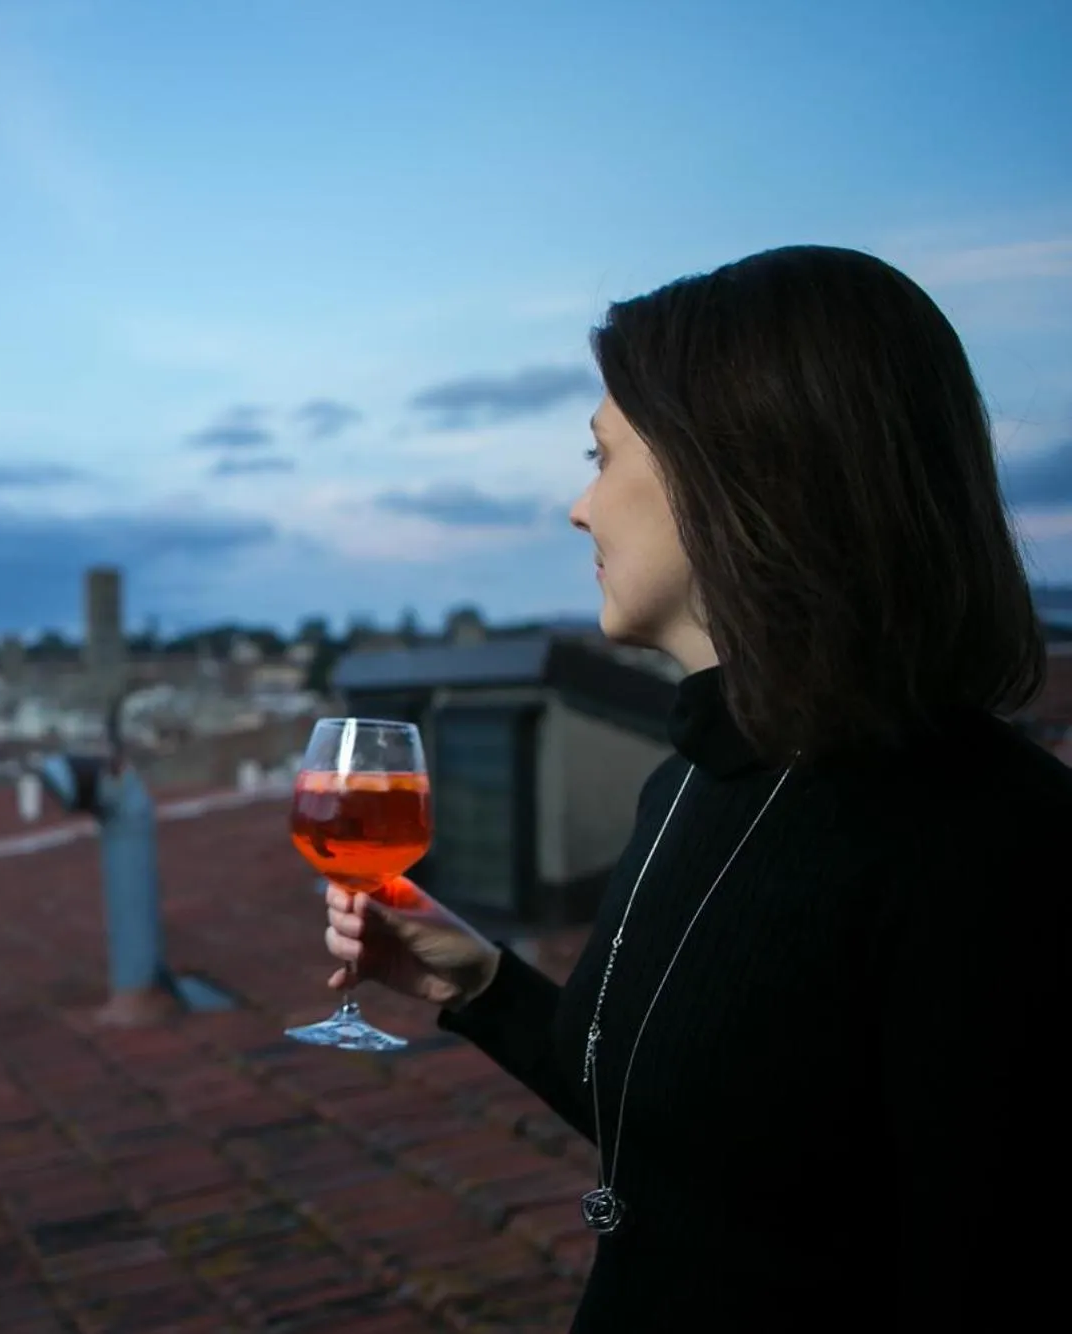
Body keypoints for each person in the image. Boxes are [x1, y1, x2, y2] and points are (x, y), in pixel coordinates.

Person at [323, 245, 1069, 1331]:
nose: (579, 508)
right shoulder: (687, 781)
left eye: (602, 454)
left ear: (742, 466)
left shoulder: (998, 850)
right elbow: (686, 1135)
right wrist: (478, 982)